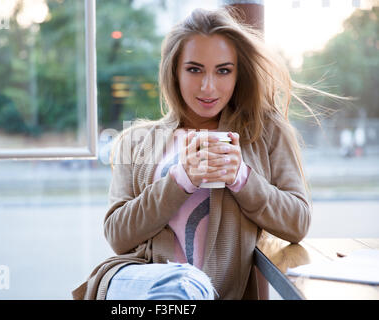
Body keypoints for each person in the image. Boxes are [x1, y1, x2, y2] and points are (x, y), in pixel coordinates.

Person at [72, 7, 313, 300]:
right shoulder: (135, 140)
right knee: (183, 284)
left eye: (223, 70)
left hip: (202, 294)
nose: (208, 86)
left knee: (187, 289)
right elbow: (118, 236)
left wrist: (241, 178)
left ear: (238, 74)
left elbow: (297, 223)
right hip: (140, 282)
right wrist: (179, 180)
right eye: (194, 69)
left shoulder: (266, 133)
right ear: (174, 70)